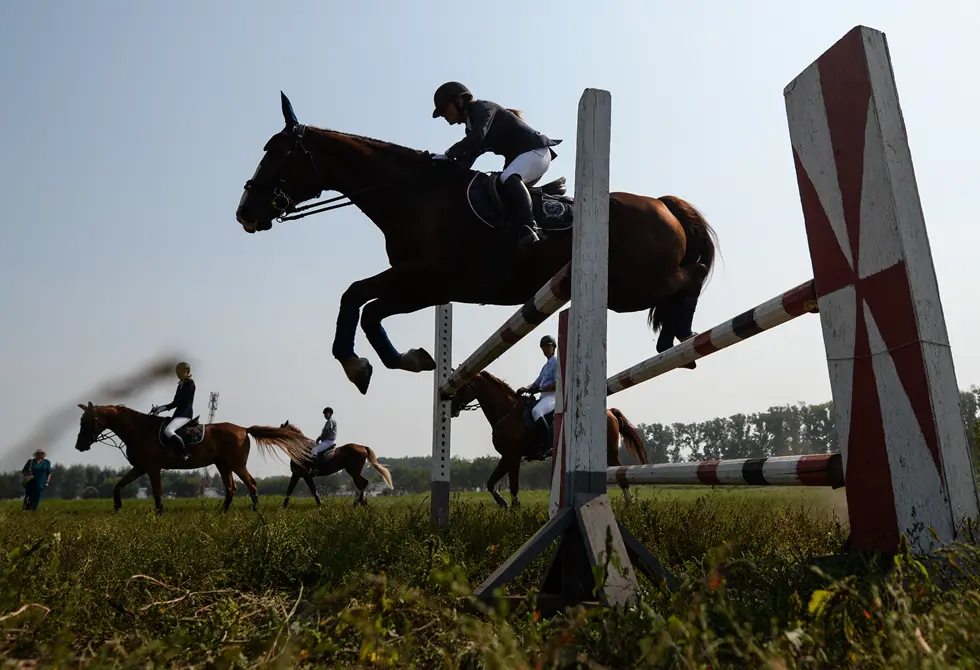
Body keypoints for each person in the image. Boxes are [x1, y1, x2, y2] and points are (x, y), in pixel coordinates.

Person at [430, 81, 561, 250]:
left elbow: (477, 137)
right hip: (522, 157)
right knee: (496, 188)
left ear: (459, 101)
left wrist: (447, 154)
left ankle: (530, 228)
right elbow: (466, 161)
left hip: (536, 152)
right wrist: (441, 168)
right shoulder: (471, 127)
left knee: (507, 178)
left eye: (444, 109)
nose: (444, 115)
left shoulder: (483, 108)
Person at [517, 335, 558, 461]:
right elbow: (536, 383)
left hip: (553, 397)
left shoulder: (556, 362)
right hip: (544, 396)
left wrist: (540, 389)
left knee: (536, 411)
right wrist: (526, 388)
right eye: (543, 347)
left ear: (553, 347)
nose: (545, 349)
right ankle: (533, 446)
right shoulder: (545, 367)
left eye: (548, 346)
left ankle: (546, 447)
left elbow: (558, 384)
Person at [150, 361, 196, 462]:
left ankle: (184, 453)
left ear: (186, 371)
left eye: (179, 371)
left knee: (168, 430)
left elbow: (180, 402)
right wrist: (159, 409)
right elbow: (174, 403)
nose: (177, 374)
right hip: (178, 413)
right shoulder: (181, 384)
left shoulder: (189, 383)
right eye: (176, 372)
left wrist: (162, 408)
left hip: (185, 414)